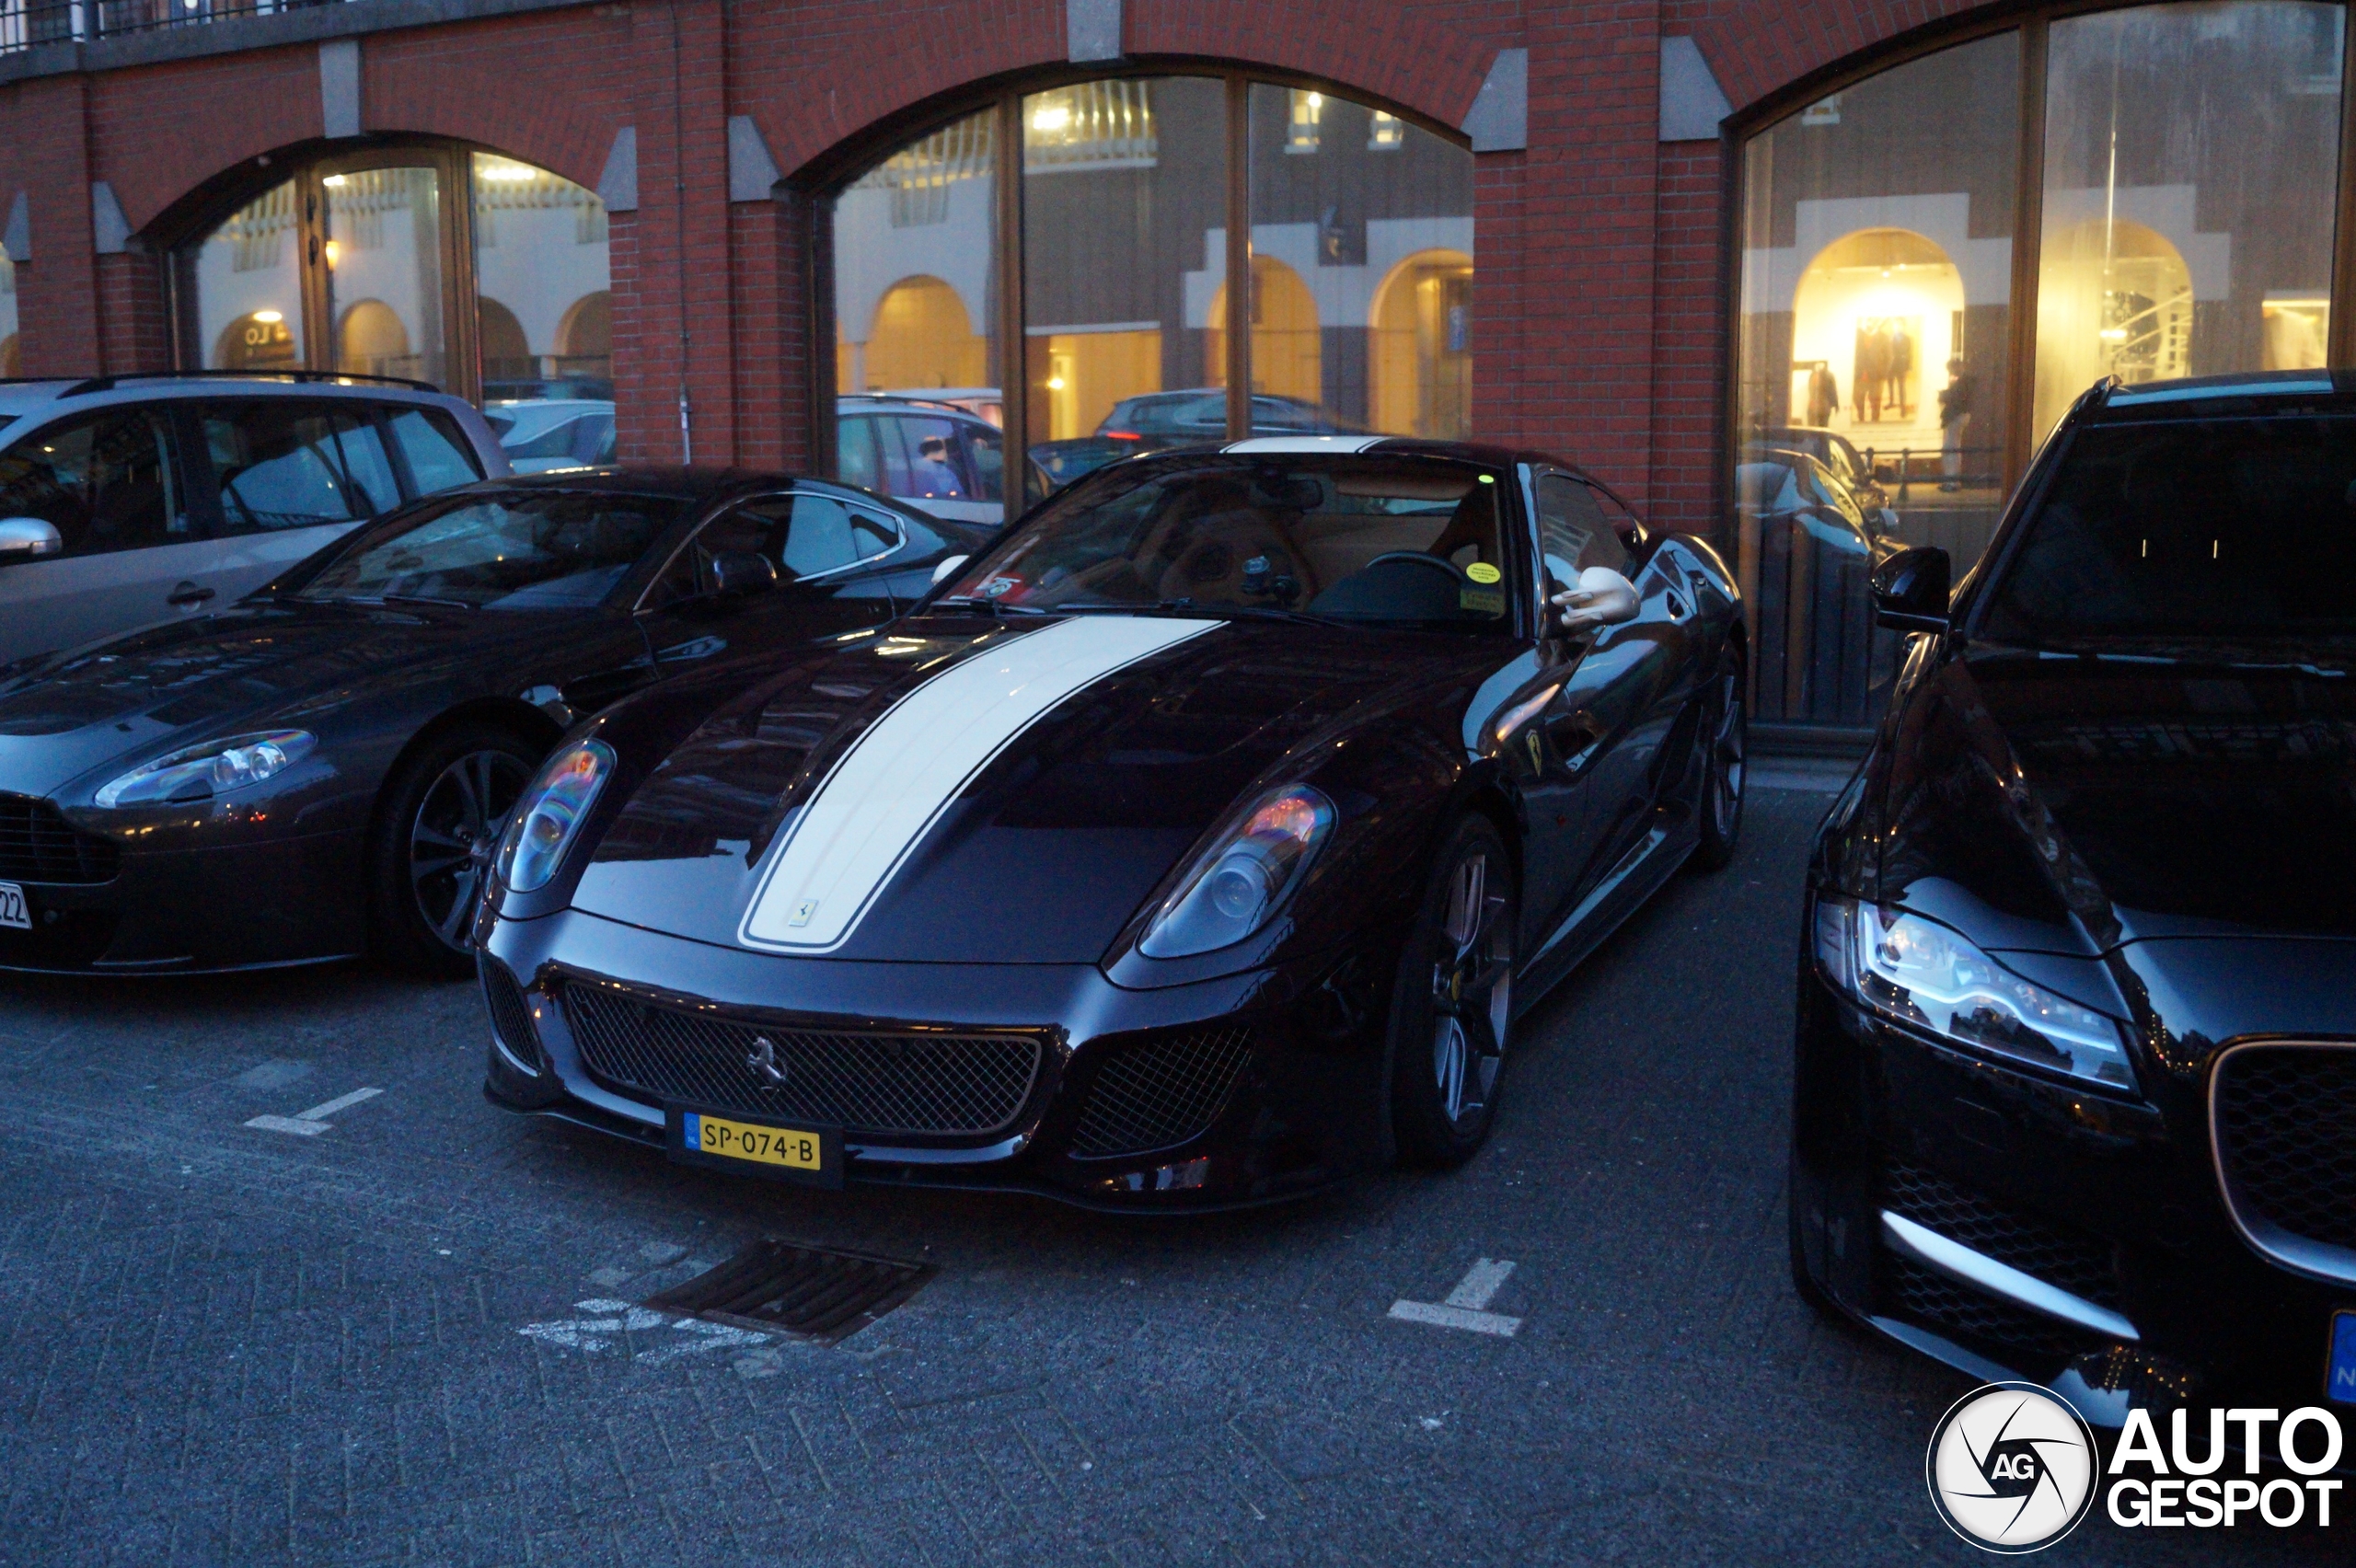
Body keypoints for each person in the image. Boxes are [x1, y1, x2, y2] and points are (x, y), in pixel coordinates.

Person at [1938, 357, 1975, 492]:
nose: (1951, 373)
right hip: (1961, 416)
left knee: (1950, 448)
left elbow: (1955, 399)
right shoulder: (1966, 380)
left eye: (1951, 370)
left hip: (1955, 417)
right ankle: (1952, 480)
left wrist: (1944, 395)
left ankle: (1951, 481)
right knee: (1953, 447)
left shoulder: (1963, 381)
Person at [910, 433, 965, 499]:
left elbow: (957, 490)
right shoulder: (917, 468)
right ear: (938, 451)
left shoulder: (944, 468)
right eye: (944, 451)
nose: (947, 455)